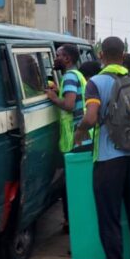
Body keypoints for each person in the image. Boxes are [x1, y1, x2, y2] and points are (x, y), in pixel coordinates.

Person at [73, 37, 130, 259]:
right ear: (124, 54)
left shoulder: (96, 83)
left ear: (102, 55)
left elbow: (91, 117)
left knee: (110, 221)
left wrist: (80, 130)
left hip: (108, 161)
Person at [45, 44, 89, 232]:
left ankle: (75, 225)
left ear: (67, 59)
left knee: (73, 187)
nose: (55, 58)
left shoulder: (70, 76)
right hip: (83, 138)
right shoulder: (76, 75)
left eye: (58, 55)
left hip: (76, 138)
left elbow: (70, 105)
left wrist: (53, 98)